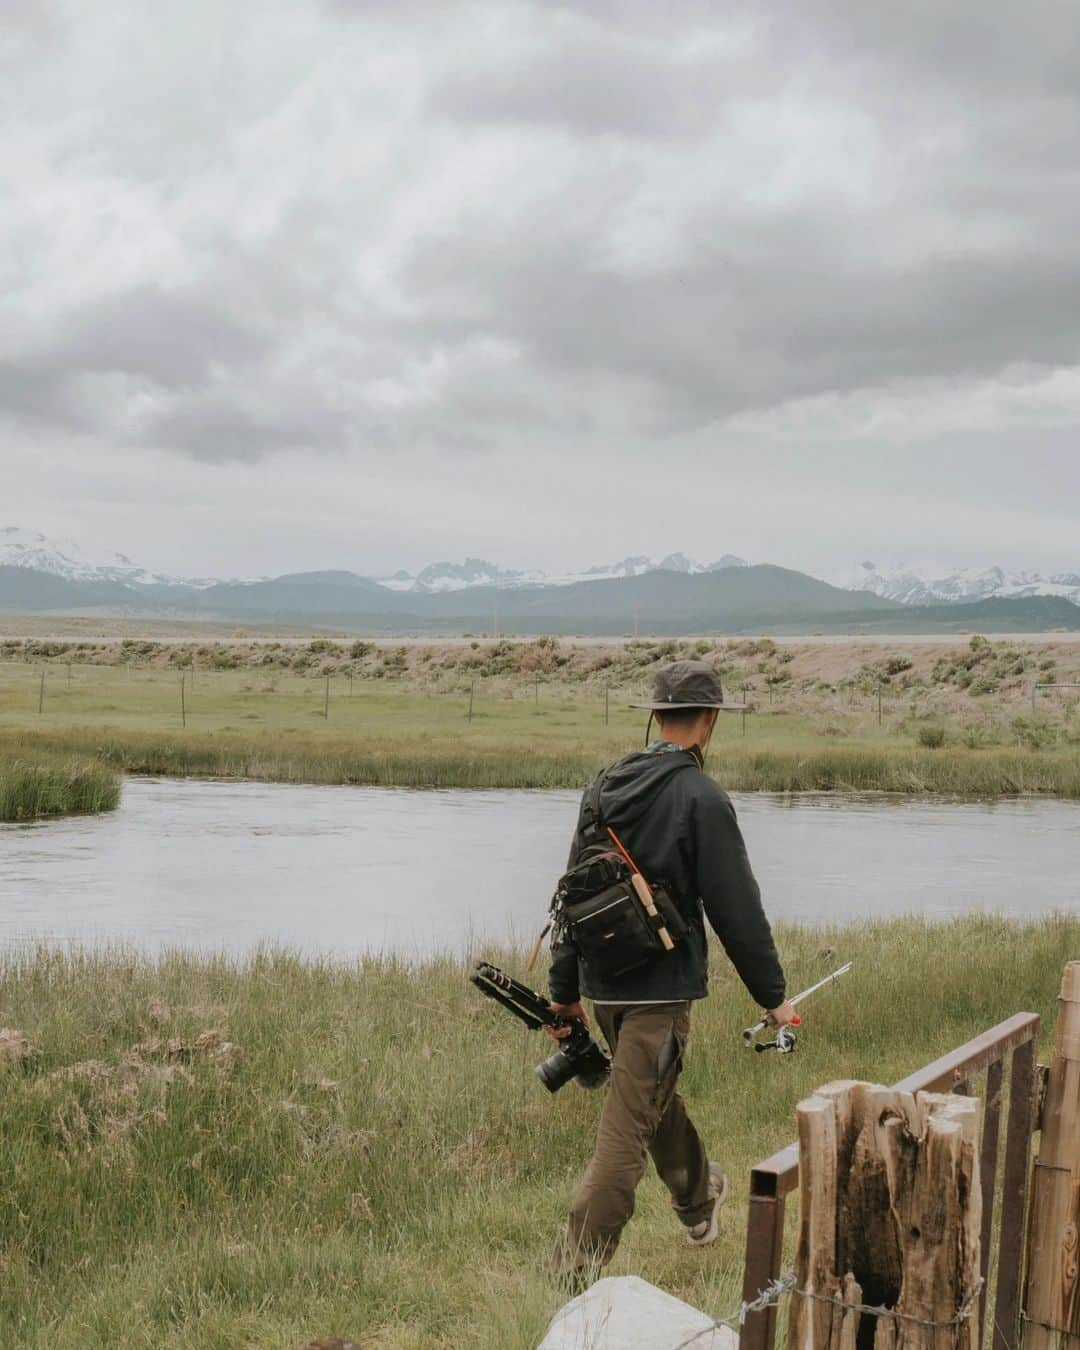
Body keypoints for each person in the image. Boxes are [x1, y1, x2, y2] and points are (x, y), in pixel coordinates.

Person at [546, 659, 795, 1276]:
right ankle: (567, 1278)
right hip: (659, 996)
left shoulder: (602, 785)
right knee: (623, 1139)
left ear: (657, 716)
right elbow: (738, 910)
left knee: (648, 1097)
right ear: (709, 722)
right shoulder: (702, 797)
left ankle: (697, 1198)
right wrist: (775, 1000)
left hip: (605, 990)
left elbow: (569, 894)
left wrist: (565, 991)